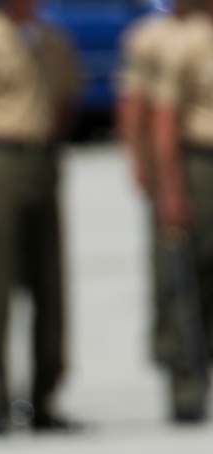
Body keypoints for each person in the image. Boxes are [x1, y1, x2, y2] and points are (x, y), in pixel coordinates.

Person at [0, 0, 82, 430]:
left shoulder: (51, 39)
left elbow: (64, 99)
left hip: (41, 157)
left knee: (50, 284)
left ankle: (44, 396)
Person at [152, 0, 213, 421]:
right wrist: (171, 191)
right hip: (201, 165)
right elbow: (164, 121)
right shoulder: (185, 43)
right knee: (192, 277)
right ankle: (187, 385)